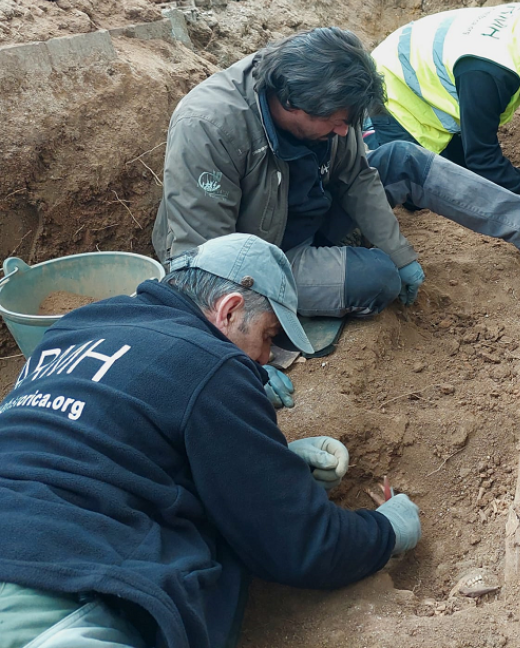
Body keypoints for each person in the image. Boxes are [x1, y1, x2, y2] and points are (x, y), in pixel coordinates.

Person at [0, 233, 422, 648]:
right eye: (269, 336)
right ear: (229, 310)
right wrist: (387, 530)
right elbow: (298, 544)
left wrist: (270, 464)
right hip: (56, 602)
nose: (263, 358)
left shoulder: (79, 324)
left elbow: (100, 444)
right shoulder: (210, 365)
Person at [152, 27, 520, 334]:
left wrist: (403, 253)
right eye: (336, 122)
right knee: (377, 278)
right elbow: (200, 262)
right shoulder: (209, 124)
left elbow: (357, 174)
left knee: (402, 158)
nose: (343, 132)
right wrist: (237, 349)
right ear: (293, 105)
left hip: (311, 208)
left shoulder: (324, 94)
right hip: (260, 256)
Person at [368, 3, 520, 207]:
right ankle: (369, 137)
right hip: (393, 84)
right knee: (423, 188)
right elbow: (482, 157)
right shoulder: (488, 73)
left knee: (464, 169)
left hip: (433, 64)